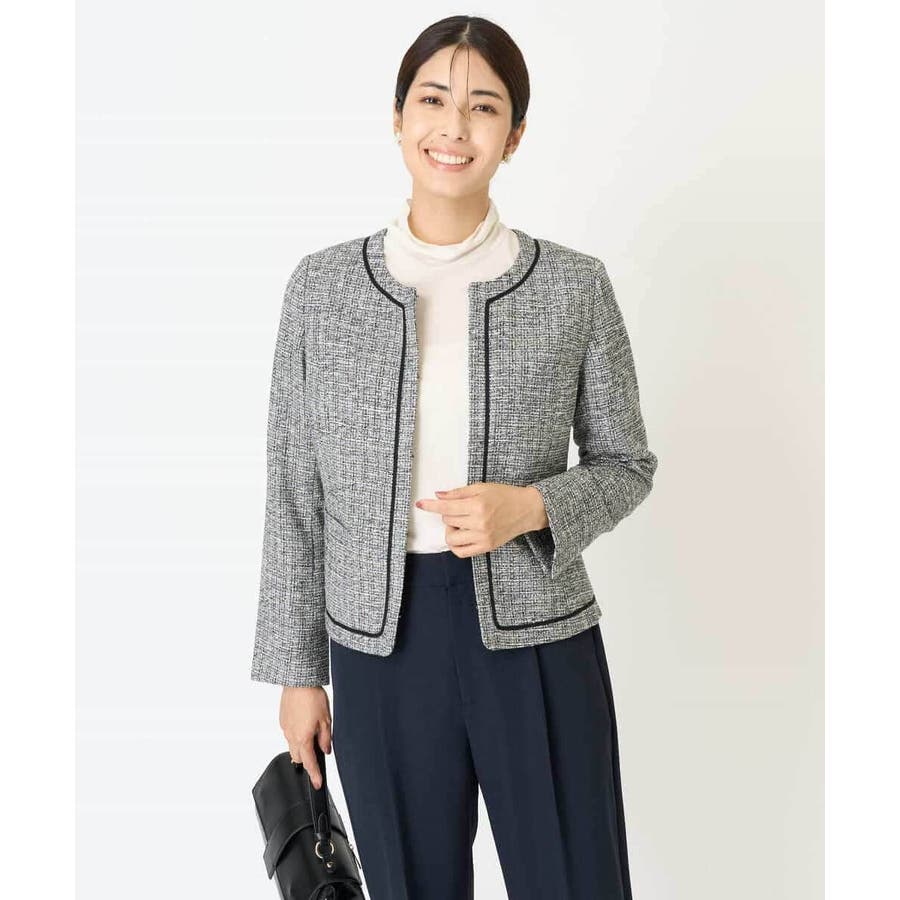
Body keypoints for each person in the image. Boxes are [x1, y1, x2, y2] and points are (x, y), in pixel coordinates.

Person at [250, 15, 658, 900]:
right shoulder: (321, 289)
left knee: (576, 881)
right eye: (434, 100)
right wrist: (298, 673)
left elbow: (627, 461)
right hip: (379, 647)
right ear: (398, 118)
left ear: (515, 135)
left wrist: (532, 507)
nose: (454, 127)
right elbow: (293, 493)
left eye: (484, 107)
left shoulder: (574, 286)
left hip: (539, 639)